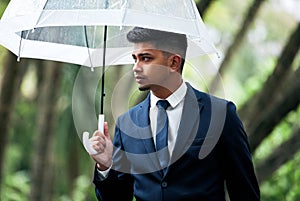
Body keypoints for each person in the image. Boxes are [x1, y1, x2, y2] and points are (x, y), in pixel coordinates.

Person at [88, 27, 260, 201]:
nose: (136, 67)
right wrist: (106, 166)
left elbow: (245, 192)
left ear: (174, 63)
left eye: (145, 58)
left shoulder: (222, 114)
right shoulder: (127, 123)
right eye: (135, 59)